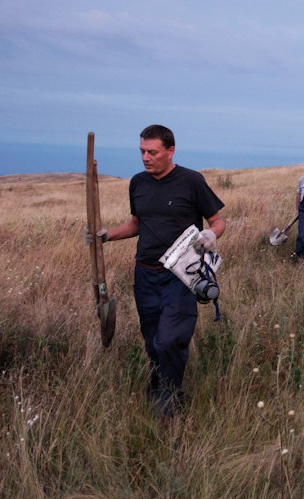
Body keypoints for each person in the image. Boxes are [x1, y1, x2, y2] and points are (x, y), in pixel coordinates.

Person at [87, 124, 225, 417]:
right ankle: (158, 387)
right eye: (142, 152)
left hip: (180, 277)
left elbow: (217, 221)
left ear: (170, 150)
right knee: (152, 340)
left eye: (152, 152)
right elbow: (137, 224)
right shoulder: (138, 183)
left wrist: (211, 235)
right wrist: (106, 235)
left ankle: (171, 402)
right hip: (145, 275)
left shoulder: (191, 181)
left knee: (168, 340)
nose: (145, 157)